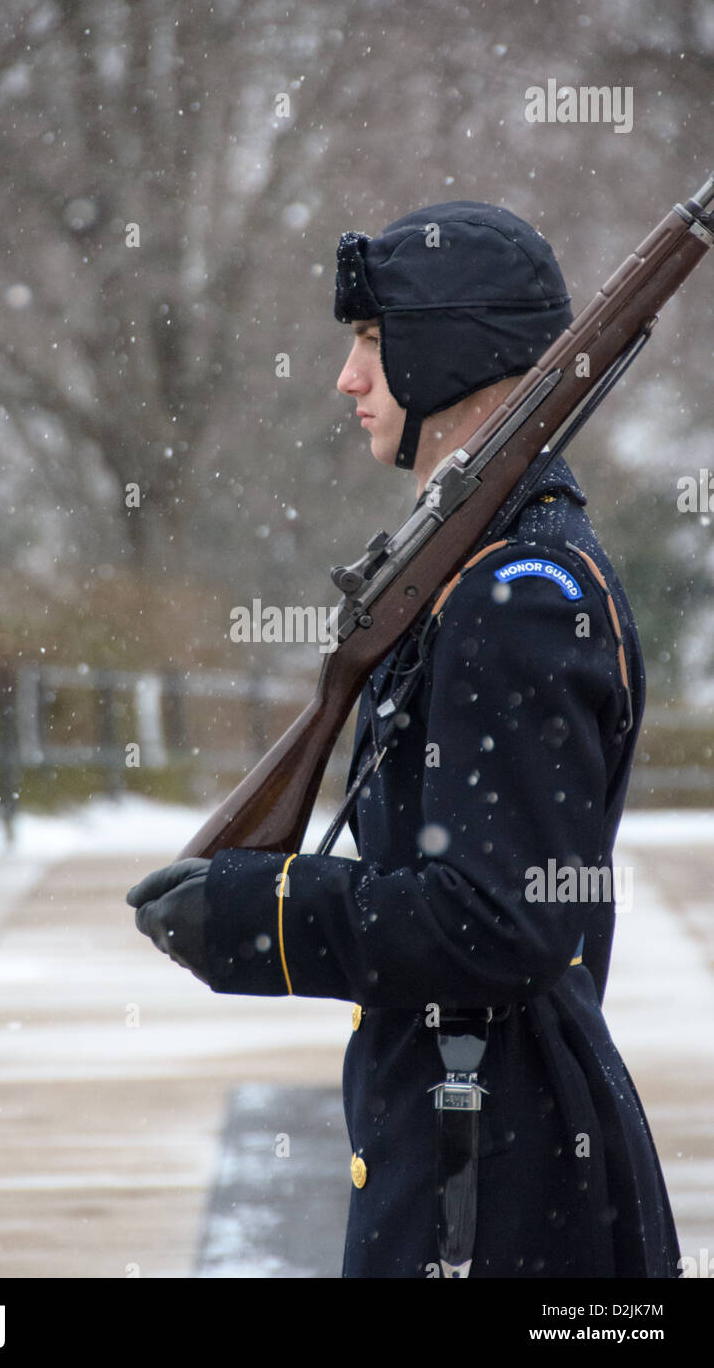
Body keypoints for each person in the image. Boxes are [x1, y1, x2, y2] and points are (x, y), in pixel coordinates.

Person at [127, 200, 680, 1279]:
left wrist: (266, 913)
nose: (347, 377)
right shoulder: (488, 566)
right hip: (477, 1136)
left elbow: (496, 921)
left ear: (449, 348)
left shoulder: (516, 589)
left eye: (372, 342)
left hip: (500, 1178)